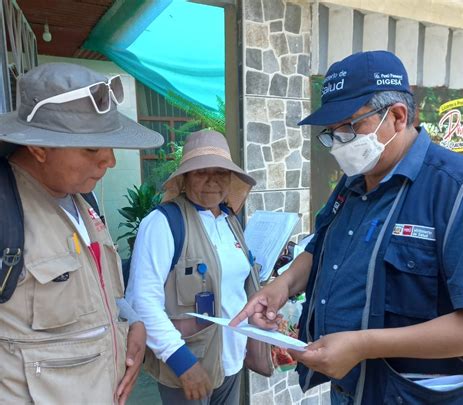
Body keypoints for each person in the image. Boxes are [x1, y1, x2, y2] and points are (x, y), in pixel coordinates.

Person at [231, 50, 463, 404]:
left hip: (413, 394)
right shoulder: (353, 182)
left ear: (397, 116)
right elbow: (321, 247)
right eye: (331, 132)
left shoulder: (456, 190)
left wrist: (363, 345)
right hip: (350, 391)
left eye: (349, 127)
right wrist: (280, 286)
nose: (339, 142)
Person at [0, 63, 164, 404]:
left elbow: (99, 291)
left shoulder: (82, 199)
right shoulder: (7, 209)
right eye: (91, 148)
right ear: (39, 148)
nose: (109, 161)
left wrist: (132, 323)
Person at [126, 129, 269, 404]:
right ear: (184, 178)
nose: (212, 181)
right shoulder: (162, 223)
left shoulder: (230, 221)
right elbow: (142, 300)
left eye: (221, 172)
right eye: (201, 172)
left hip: (231, 362)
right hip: (189, 364)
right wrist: (182, 363)